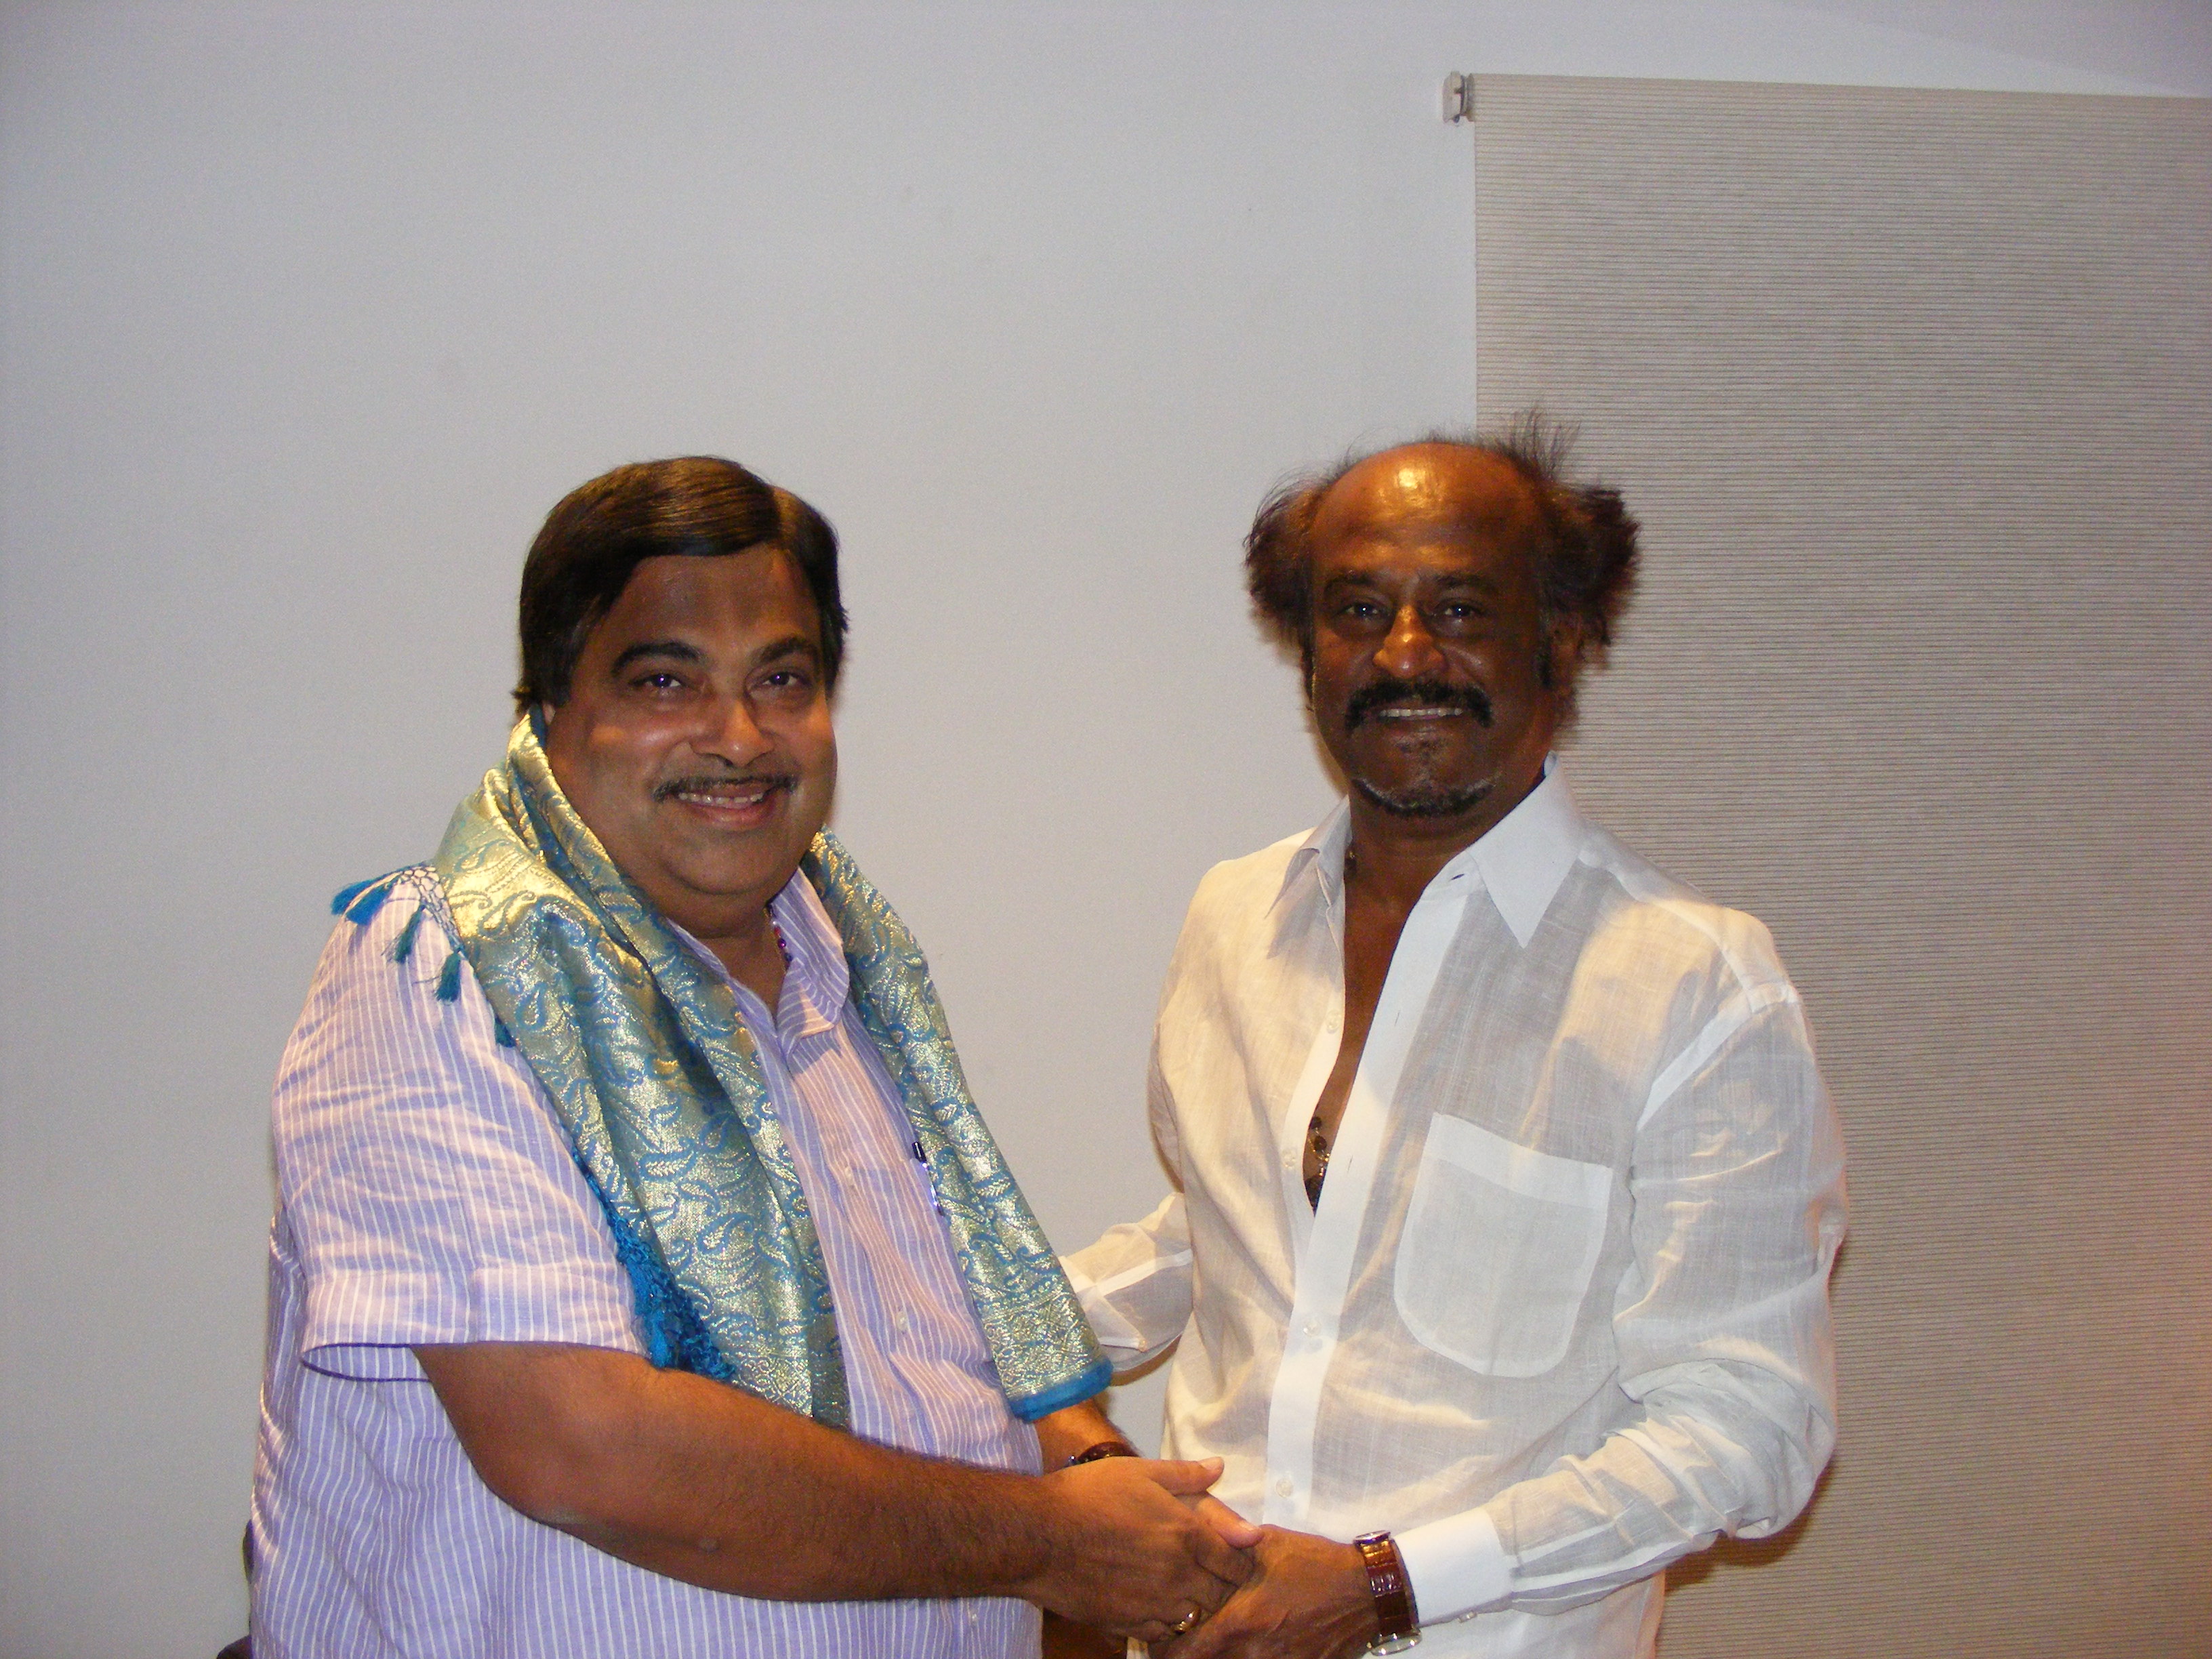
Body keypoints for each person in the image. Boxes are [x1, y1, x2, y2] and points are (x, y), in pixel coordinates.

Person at [249, 455, 1256, 1658]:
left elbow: (955, 1348)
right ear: (548, 709)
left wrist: (1094, 1478)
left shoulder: (851, 965)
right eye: (666, 680)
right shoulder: (445, 972)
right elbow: (581, 1449)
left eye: (782, 678)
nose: (738, 737)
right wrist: (1054, 1544)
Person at [1059, 421, 1847, 1658]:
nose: (1405, 655)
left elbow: (1748, 1432)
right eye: (1359, 609)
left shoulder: (1693, 985)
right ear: (1306, 645)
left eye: (1463, 608)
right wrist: (1000, 1355)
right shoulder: (1234, 920)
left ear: (1562, 636)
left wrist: (1384, 1584)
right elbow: (1246, 1225)